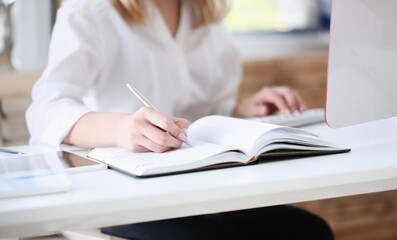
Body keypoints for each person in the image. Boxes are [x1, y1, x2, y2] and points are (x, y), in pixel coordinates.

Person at [26, 0, 332, 239]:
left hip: (197, 184)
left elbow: (205, 109)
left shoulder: (205, 15)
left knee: (308, 232)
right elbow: (45, 111)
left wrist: (243, 109)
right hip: (122, 192)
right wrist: (121, 129)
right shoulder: (91, 11)